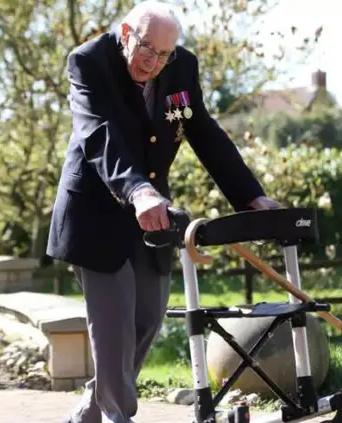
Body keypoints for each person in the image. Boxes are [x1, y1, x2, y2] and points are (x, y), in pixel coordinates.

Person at [46, 1, 281, 422]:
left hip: (154, 216)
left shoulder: (181, 67)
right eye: (146, 50)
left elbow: (202, 130)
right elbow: (97, 135)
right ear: (125, 34)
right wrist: (137, 190)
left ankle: (91, 408)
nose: (153, 64)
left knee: (148, 318)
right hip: (96, 212)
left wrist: (250, 197)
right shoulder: (88, 62)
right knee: (114, 327)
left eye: (163, 55)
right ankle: (120, 416)